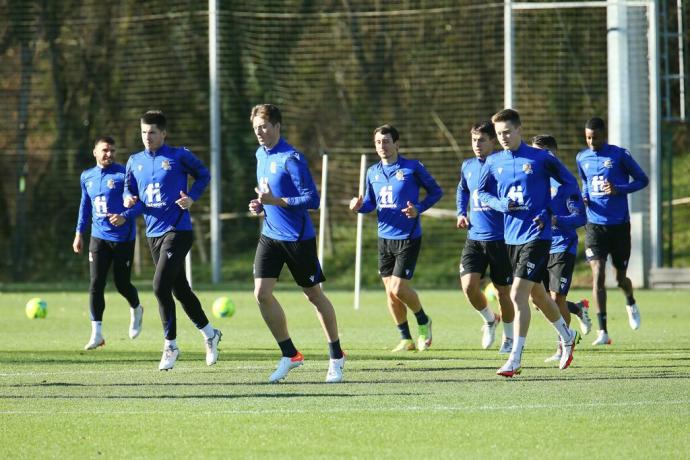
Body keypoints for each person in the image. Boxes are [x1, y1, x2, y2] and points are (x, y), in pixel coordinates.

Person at [477, 109, 580, 377]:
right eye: (499, 134)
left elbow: (570, 183)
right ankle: (567, 336)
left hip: (538, 236)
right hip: (510, 237)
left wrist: (550, 213)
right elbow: (482, 193)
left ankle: (515, 358)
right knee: (538, 295)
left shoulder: (541, 159)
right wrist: (501, 204)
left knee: (517, 295)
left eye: (507, 132)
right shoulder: (493, 162)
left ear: (519, 129)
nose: (503, 138)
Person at [249, 103, 345, 383]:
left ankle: (336, 356)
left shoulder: (292, 158)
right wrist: (260, 205)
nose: (260, 132)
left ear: (278, 126)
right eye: (256, 128)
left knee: (314, 295)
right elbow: (267, 196)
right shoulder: (259, 155)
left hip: (297, 238)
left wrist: (276, 201)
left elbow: (312, 200)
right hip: (270, 235)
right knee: (261, 294)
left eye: (265, 126)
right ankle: (290, 354)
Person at [124, 110, 221, 371]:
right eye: (143, 132)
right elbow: (129, 190)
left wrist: (192, 197)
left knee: (159, 286)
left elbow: (204, 175)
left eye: (152, 132)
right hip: (153, 233)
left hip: (178, 230)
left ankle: (171, 345)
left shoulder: (178, 156)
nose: (147, 137)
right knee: (180, 290)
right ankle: (210, 334)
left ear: (163, 133)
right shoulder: (134, 161)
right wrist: (127, 200)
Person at [350, 124, 443, 352]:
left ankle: (423, 321)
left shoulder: (412, 167)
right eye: (378, 142)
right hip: (384, 238)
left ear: (397, 144)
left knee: (399, 289)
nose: (382, 146)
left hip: (408, 236)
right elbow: (371, 203)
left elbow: (436, 191)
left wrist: (418, 209)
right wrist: (359, 207)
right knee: (390, 294)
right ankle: (406, 339)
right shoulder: (372, 172)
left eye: (386, 141)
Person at [576, 117, 649, 345]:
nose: (591, 142)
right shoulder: (582, 157)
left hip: (618, 225)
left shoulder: (619, 155)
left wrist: (619, 189)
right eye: (588, 137)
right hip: (594, 225)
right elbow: (585, 182)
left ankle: (630, 300)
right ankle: (603, 331)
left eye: (595, 137)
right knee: (598, 274)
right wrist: (585, 196)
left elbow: (642, 180)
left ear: (603, 134)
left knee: (619, 278)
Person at [73, 136, 144, 350]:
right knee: (96, 284)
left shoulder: (125, 174)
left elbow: (141, 203)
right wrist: (78, 233)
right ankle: (97, 334)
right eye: (104, 150)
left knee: (122, 284)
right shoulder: (87, 176)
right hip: (98, 238)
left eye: (112, 150)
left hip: (123, 239)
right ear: (95, 152)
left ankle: (136, 308)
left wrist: (125, 215)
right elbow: (85, 206)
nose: (109, 154)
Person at [531, 134, 592, 362]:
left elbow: (579, 217)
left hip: (562, 245)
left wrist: (556, 220)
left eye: (541, 153)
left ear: (552, 154)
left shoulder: (565, 182)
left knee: (555, 299)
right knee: (539, 300)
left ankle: (563, 346)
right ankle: (577, 309)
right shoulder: (533, 181)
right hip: (538, 245)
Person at [456, 122, 515, 352]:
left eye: (481, 140)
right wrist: (462, 212)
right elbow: (462, 189)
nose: (476, 145)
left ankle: (509, 338)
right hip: (474, 237)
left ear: (493, 141)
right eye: (473, 140)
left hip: (501, 239)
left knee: (503, 293)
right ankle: (490, 319)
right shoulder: (468, 166)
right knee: (469, 286)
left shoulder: (504, 164)